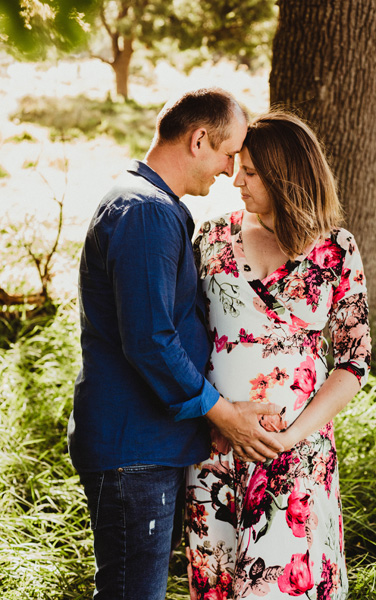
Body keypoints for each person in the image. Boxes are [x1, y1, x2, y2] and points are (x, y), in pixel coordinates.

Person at [67, 88, 285, 600]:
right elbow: (150, 339)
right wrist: (222, 412)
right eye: (230, 154)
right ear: (199, 139)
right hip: (134, 450)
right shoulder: (145, 211)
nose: (232, 171)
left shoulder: (148, 203)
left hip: (143, 448)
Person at [185, 111, 371, 600]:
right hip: (218, 452)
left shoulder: (335, 249)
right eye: (237, 167)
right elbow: (181, 340)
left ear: (285, 175)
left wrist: (290, 438)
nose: (235, 181)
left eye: (250, 172)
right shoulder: (212, 238)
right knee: (219, 585)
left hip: (297, 457)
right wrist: (216, 419)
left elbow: (354, 362)